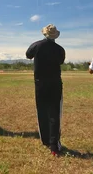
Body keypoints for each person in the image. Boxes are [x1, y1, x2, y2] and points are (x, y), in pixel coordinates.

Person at [25, 24, 65, 156]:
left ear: (44, 34)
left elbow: (28, 55)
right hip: (55, 83)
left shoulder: (36, 45)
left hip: (40, 83)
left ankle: (45, 140)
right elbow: (60, 61)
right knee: (54, 113)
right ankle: (54, 144)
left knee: (41, 111)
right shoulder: (60, 49)